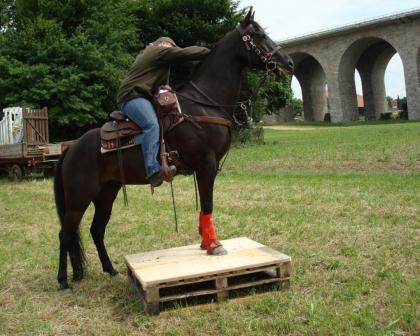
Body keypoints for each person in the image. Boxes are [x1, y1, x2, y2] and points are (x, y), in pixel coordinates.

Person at [117, 37, 210, 187]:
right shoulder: (155, 51)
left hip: (144, 98)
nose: (171, 48)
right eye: (170, 46)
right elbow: (184, 53)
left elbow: (165, 88)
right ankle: (152, 171)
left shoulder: (162, 66)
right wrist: (210, 52)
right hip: (131, 97)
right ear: (161, 44)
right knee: (152, 125)